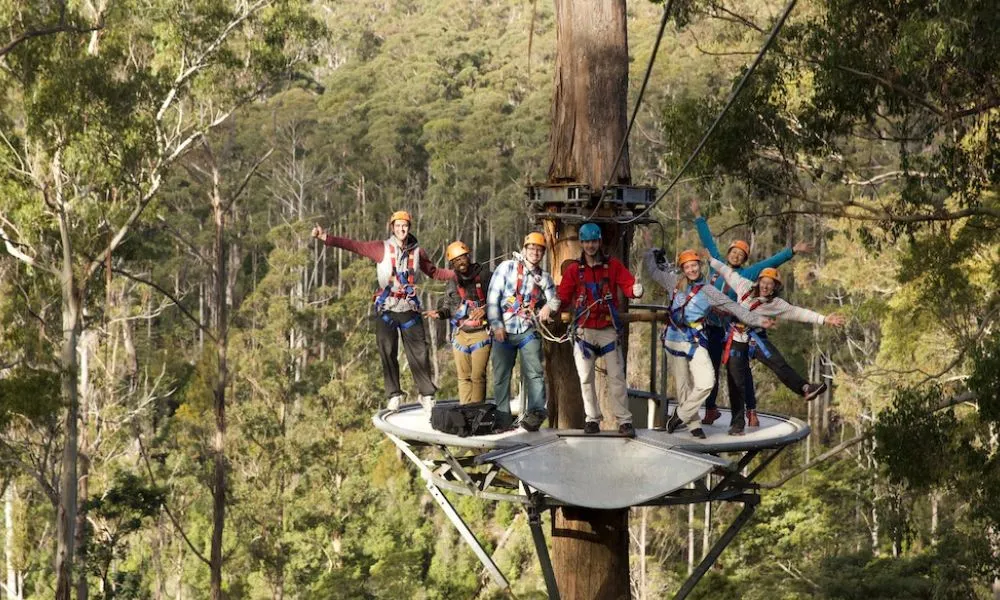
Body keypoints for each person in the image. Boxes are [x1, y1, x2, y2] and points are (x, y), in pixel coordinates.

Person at [311, 211, 453, 412]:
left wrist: (458, 273)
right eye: (398, 226)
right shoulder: (381, 248)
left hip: (409, 309)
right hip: (387, 308)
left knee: (419, 352)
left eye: (404, 226)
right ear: (392, 228)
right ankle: (394, 394)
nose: (401, 229)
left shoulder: (418, 252)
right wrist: (325, 237)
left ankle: (426, 394)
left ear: (409, 228)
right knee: (387, 351)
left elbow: (434, 272)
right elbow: (353, 245)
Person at [691, 198, 813, 426]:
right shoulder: (717, 263)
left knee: (741, 369)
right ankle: (711, 408)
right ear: (728, 253)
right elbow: (707, 240)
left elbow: (771, 261)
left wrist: (792, 251)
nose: (736, 256)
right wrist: (698, 215)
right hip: (710, 325)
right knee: (711, 367)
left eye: (741, 254)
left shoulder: (746, 275)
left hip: (731, 327)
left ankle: (751, 411)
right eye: (734, 252)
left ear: (745, 259)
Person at [643, 247, 773, 439]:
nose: (692, 270)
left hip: (694, 340)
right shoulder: (674, 281)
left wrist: (758, 320)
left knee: (707, 381)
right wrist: (649, 252)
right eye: (687, 267)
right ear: (683, 269)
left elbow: (733, 307)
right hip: (673, 339)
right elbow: (654, 272)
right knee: (683, 385)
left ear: (700, 266)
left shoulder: (709, 291)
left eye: (694, 266)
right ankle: (693, 424)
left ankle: (681, 414)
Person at [709, 257, 846, 432]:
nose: (766, 287)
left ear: (775, 287)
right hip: (736, 338)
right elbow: (727, 272)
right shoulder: (744, 286)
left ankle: (805, 388)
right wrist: (710, 260)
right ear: (758, 282)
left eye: (770, 284)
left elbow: (797, 312)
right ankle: (737, 424)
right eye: (764, 282)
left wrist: (824, 319)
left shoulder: (775, 304)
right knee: (736, 382)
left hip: (755, 339)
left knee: (778, 362)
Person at [556, 222, 644, 436]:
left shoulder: (612, 266)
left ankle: (624, 420)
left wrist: (635, 290)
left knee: (616, 377)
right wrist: (551, 305)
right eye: (586, 242)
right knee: (585, 378)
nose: (590, 246)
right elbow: (563, 295)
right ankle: (592, 418)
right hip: (584, 331)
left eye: (594, 241)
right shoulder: (574, 271)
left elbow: (627, 284)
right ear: (581, 243)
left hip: (607, 329)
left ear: (599, 242)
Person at [486, 232, 560, 431]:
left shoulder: (543, 278)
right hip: (504, 328)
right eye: (532, 248)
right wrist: (496, 325)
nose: (535, 253)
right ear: (525, 249)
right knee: (501, 375)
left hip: (528, 329)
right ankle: (502, 416)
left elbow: (555, 299)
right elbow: (493, 298)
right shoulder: (506, 268)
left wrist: (548, 307)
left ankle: (535, 414)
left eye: (539, 250)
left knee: (534, 373)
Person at [425, 241, 494, 404]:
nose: (460, 262)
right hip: (461, 334)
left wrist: (486, 309)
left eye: (462, 258)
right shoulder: (453, 281)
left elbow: (499, 298)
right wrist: (440, 313)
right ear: (452, 264)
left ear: (468, 256)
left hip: (481, 333)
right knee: (463, 377)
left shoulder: (484, 276)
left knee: (477, 376)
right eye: (456, 260)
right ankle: (465, 409)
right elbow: (449, 307)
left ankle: (476, 411)